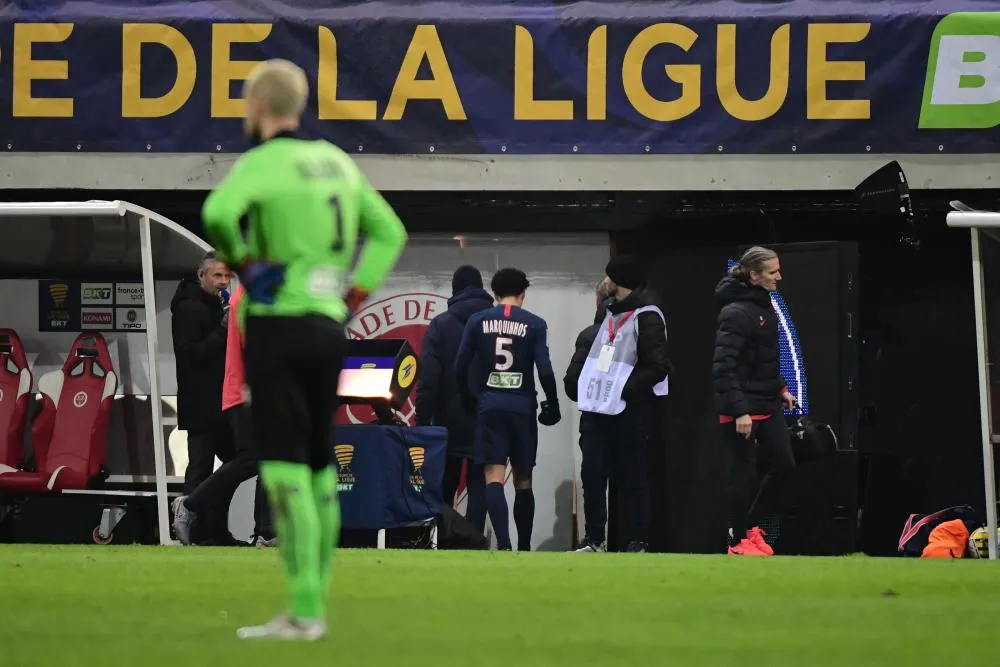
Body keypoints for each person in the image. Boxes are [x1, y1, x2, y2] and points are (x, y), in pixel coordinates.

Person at [202, 58, 408, 640]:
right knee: (320, 461)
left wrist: (246, 266)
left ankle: (304, 609)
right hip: (326, 326)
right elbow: (389, 230)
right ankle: (314, 606)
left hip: (277, 323)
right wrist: (353, 294)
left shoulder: (264, 162)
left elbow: (217, 212)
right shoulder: (337, 162)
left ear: (259, 107)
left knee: (284, 464)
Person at [454, 268, 561, 551]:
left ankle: (503, 544)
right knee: (524, 480)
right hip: (522, 407)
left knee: (493, 476)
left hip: (490, 406)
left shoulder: (478, 320)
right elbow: (546, 371)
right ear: (523, 294)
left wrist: (469, 397)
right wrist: (553, 404)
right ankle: (524, 547)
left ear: (494, 295)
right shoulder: (536, 324)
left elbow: (459, 366)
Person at [574, 256, 671, 553]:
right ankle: (594, 540)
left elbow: (657, 366)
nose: (603, 282)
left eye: (607, 276)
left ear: (617, 280)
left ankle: (638, 541)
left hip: (630, 411)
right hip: (598, 411)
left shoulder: (648, 315)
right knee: (592, 474)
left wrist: (621, 391)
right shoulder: (607, 315)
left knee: (633, 476)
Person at [171, 284, 275, 548]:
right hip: (246, 392)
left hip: (254, 391)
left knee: (267, 460)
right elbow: (251, 345)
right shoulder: (252, 293)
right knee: (251, 459)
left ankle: (267, 532)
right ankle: (190, 505)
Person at [713, 246, 798, 556]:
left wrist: (780, 389)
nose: (779, 276)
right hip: (742, 409)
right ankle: (738, 542)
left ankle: (750, 528)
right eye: (773, 272)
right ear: (754, 275)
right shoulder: (735, 312)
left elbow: (762, 358)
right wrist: (740, 411)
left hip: (767, 402)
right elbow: (724, 367)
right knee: (743, 477)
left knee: (785, 465)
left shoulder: (764, 306)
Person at [415, 265, 492, 532]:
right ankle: (474, 541)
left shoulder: (441, 325)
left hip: (447, 420)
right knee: (479, 486)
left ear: (454, 290)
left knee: (444, 484)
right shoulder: (494, 325)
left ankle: (443, 538)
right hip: (486, 416)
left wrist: (422, 423)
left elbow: (429, 379)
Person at [170, 252, 236, 544]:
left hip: (225, 404)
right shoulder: (187, 309)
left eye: (227, 276)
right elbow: (188, 354)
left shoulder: (221, 306)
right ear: (201, 276)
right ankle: (192, 531)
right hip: (201, 405)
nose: (223, 282)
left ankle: (215, 533)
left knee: (236, 466)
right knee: (201, 469)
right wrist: (223, 331)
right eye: (217, 276)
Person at [563, 278, 615, 552]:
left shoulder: (591, 335)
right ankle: (635, 540)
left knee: (594, 481)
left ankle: (596, 539)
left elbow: (573, 382)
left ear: (598, 301)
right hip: (631, 421)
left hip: (596, 420)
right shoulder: (644, 329)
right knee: (631, 482)